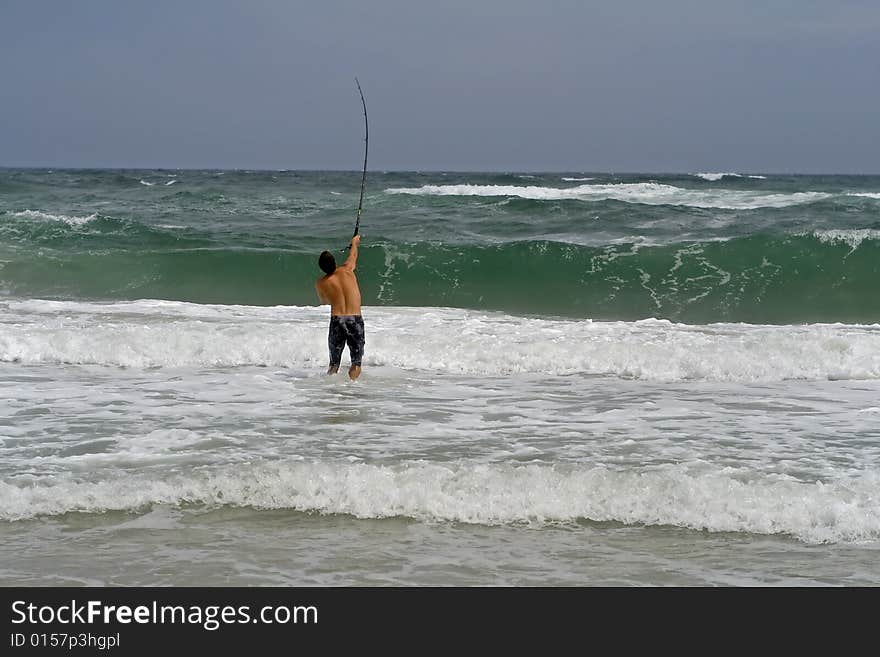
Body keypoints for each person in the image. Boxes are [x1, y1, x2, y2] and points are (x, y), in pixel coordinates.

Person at [315, 234, 364, 380]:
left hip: (337, 321)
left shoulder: (321, 283)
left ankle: (331, 391)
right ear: (335, 262)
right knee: (356, 362)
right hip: (355, 320)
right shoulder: (347, 270)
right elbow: (353, 255)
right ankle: (351, 390)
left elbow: (325, 300)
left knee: (334, 364)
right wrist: (354, 242)